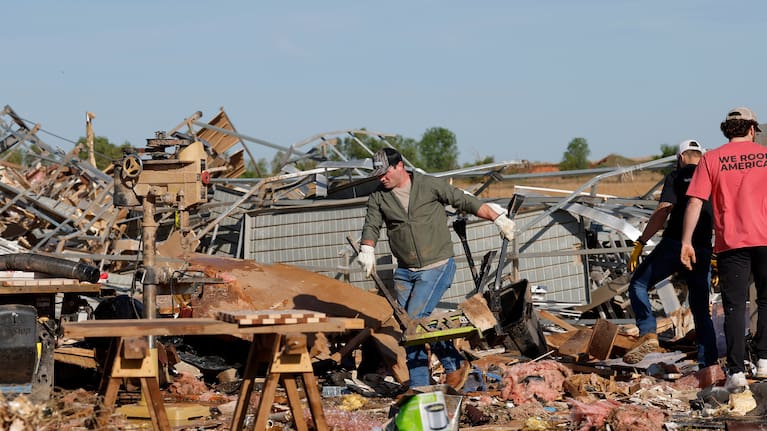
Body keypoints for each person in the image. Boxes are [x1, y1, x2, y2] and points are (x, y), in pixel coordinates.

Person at [356, 148, 515, 389]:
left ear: (399, 166)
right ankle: (454, 368)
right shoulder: (379, 197)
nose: (381, 178)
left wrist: (497, 219)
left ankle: (420, 385)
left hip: (436, 266)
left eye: (385, 172)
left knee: (414, 324)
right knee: (412, 325)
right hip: (405, 271)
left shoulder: (429, 185)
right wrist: (367, 249)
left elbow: (464, 200)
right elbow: (371, 225)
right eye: (377, 174)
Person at [681, 107, 767, 393]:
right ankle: (765, 360)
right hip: (765, 239)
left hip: (731, 243)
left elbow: (694, 202)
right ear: (752, 129)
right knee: (765, 300)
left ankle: (737, 372)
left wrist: (686, 241)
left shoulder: (712, 159)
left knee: (733, 307)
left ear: (726, 131)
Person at [623, 140, 718, 367]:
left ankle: (648, 332)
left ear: (680, 157)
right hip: (702, 249)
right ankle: (709, 366)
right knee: (701, 309)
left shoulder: (675, 177)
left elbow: (662, 211)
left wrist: (641, 242)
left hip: (675, 244)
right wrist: (717, 253)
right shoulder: (713, 176)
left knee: (638, 284)